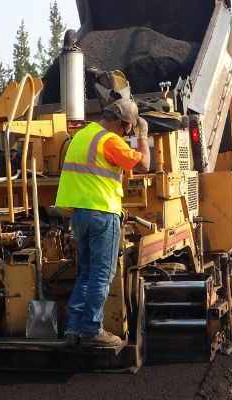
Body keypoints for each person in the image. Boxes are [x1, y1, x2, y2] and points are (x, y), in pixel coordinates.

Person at [55, 98, 151, 348]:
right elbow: (143, 164)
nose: (126, 133)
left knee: (85, 273)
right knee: (101, 274)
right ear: (119, 122)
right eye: (127, 128)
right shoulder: (109, 140)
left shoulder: (83, 135)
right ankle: (92, 330)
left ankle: (73, 330)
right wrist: (142, 136)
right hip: (102, 213)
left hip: (79, 214)